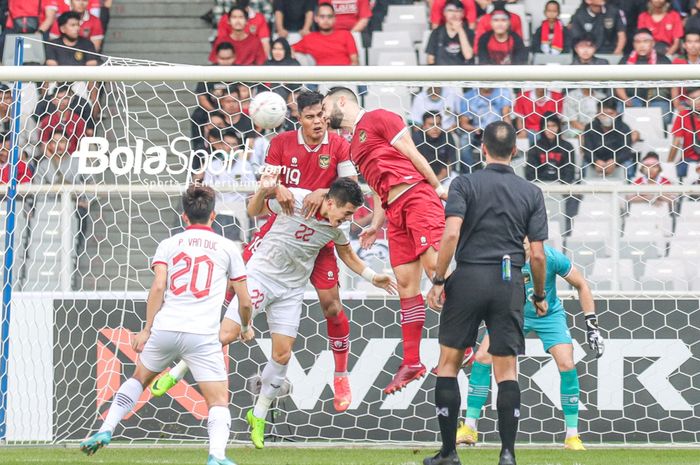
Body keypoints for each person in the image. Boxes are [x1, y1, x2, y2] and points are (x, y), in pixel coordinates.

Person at [151, 91, 360, 413]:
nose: (318, 122)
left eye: (321, 115)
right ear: (298, 118)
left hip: (321, 235)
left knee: (332, 306)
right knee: (231, 289)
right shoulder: (281, 144)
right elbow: (265, 183)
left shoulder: (339, 145)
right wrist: (278, 188)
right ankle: (184, 362)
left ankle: (342, 374)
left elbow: (351, 185)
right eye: (310, 117)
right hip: (278, 231)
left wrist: (322, 191)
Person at [78, 185, 251, 465]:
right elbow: (244, 301)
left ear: (184, 217)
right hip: (202, 334)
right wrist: (245, 327)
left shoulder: (169, 244)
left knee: (138, 379)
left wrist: (147, 329)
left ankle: (105, 429)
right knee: (218, 401)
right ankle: (216, 456)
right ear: (214, 215)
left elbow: (158, 286)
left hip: (166, 328)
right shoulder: (227, 247)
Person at [233, 177, 397, 449]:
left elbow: (348, 254)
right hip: (266, 269)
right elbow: (256, 209)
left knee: (317, 321)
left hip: (292, 284)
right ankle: (181, 367)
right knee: (229, 319)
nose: (348, 220)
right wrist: (271, 188)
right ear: (332, 203)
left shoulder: (335, 230)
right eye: (347, 213)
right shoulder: (293, 198)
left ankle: (339, 375)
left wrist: (371, 276)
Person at [425, 121, 548, 465]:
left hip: (467, 276)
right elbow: (537, 254)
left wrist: (438, 280)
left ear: (482, 149)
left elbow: (450, 236)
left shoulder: (464, 183)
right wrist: (538, 294)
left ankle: (449, 453)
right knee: (506, 371)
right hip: (508, 281)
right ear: (515, 151)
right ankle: (507, 454)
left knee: (448, 365)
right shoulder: (531, 192)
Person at [323, 87, 448, 394]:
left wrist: (437, 187)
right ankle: (412, 361)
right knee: (405, 285)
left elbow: (412, 152)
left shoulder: (380, 117)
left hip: (417, 198)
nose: (324, 115)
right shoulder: (353, 148)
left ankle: (464, 343)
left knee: (436, 272)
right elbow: (380, 190)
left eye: (325, 108)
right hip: (394, 213)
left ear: (342, 101)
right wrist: (375, 225)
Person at [457, 239, 604, 452]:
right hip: (511, 314)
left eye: (528, 239)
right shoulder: (503, 258)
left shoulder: (550, 257)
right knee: (482, 358)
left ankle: (572, 435)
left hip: (549, 315)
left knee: (567, 364)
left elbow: (581, 284)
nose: (524, 243)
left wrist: (592, 326)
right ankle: (469, 427)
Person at [615, 29, 672, 125]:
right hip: (631, 98)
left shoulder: (663, 60)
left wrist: (677, 103)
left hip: (657, 99)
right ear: (634, 44)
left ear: (653, 43)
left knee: (664, 118)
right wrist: (625, 99)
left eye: (645, 41)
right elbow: (618, 83)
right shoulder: (625, 60)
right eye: (638, 42)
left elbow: (674, 84)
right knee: (623, 115)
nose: (641, 45)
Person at [581, 97, 639, 179]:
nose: (606, 117)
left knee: (628, 163)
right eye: (603, 114)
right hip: (596, 161)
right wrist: (595, 161)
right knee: (585, 164)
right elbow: (587, 149)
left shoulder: (624, 128)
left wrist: (615, 161)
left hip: (618, 162)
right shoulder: (590, 127)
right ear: (597, 114)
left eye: (610, 114)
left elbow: (626, 151)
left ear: (616, 113)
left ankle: (629, 186)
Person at [292, 3, 359, 66]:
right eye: (322, 16)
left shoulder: (345, 34)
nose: (326, 20)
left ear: (334, 19)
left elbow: (355, 61)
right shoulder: (309, 38)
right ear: (316, 18)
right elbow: (287, 48)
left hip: (345, 75)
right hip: (321, 76)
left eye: (329, 16)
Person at [525, 113, 577, 184]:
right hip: (541, 186)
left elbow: (570, 172)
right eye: (547, 126)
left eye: (553, 126)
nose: (550, 129)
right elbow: (530, 173)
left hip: (562, 187)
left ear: (558, 127)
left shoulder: (567, 147)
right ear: (542, 128)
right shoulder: (535, 147)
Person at [426, 0, 475, 66]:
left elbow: (468, 56)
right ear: (444, 13)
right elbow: (430, 59)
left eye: (458, 11)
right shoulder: (436, 33)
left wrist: (460, 30)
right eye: (450, 10)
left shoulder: (469, 32)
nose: (454, 14)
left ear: (463, 14)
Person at [413, 112, 458, 182]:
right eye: (431, 125)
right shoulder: (416, 138)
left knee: (455, 179)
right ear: (424, 126)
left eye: (438, 124)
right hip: (423, 176)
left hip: (444, 176)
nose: (435, 128)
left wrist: (437, 181)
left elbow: (451, 161)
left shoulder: (447, 136)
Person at [668, 87, 700, 180]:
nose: (697, 102)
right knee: (677, 174)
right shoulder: (683, 115)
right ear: (688, 102)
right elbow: (676, 142)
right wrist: (668, 165)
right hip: (689, 160)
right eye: (693, 99)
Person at [671, 32, 700, 112]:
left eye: (697, 41)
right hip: (684, 101)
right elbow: (674, 86)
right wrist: (677, 105)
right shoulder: (678, 61)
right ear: (684, 45)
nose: (693, 45)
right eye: (689, 42)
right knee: (676, 116)